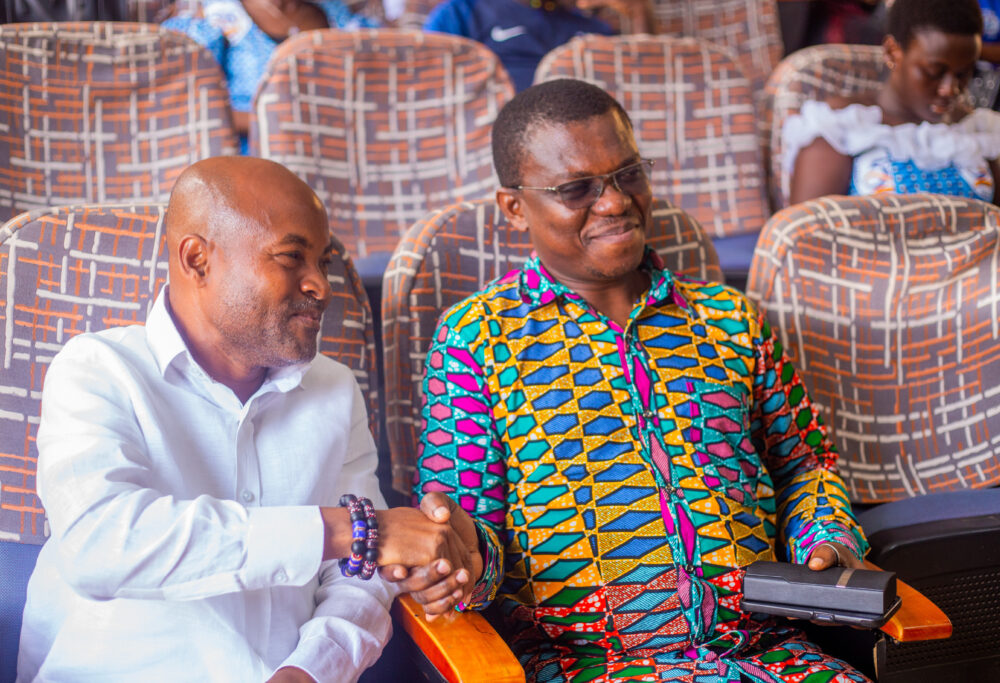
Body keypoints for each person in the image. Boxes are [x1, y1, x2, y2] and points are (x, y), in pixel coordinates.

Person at [413, 78, 872, 682]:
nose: (613, 203)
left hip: (771, 655)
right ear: (515, 207)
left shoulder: (730, 319)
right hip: (592, 667)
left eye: (627, 174)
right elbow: (472, 534)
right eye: (576, 189)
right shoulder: (476, 340)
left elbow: (805, 463)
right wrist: (460, 562)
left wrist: (825, 535)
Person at [16, 157, 478, 682]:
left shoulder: (334, 389)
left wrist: (309, 671)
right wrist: (346, 529)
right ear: (197, 260)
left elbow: (361, 576)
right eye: (292, 257)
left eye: (323, 263)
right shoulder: (97, 369)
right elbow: (100, 545)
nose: (321, 286)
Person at [784, 0, 1000, 229]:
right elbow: (804, 241)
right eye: (934, 72)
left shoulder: (973, 129)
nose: (950, 89)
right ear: (892, 52)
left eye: (963, 74)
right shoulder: (840, 127)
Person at [162, 0, 376, 151]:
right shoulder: (217, 13)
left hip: (331, 151)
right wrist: (281, 122)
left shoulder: (336, 13)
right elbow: (190, 106)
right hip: (252, 158)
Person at [423, 0, 655, 91]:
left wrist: (639, 12)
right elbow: (430, 84)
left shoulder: (592, 26)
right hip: (500, 138)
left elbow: (644, 84)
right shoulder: (462, 12)